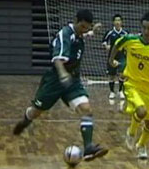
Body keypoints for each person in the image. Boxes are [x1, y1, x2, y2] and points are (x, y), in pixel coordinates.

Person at [13, 9, 108, 161]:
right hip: (56, 80)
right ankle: (26, 119)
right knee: (37, 111)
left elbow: (83, 35)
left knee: (86, 109)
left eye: (87, 27)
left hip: (73, 81)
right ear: (75, 21)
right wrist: (63, 73)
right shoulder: (65, 34)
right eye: (83, 26)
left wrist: (92, 32)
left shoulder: (79, 33)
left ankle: (88, 147)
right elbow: (57, 59)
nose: (85, 30)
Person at [108, 12, 149, 159]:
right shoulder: (130, 40)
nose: (146, 32)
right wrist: (111, 60)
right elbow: (117, 45)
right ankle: (131, 133)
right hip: (131, 84)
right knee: (141, 111)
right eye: (144, 28)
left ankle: (141, 145)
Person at [102, 14, 129, 100]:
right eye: (116, 20)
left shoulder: (125, 33)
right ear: (113, 22)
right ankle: (112, 92)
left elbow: (129, 43)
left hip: (121, 56)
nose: (117, 22)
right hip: (112, 57)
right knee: (111, 75)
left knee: (122, 74)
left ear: (121, 22)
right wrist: (106, 46)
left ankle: (121, 91)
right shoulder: (109, 33)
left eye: (119, 20)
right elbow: (104, 41)